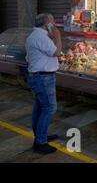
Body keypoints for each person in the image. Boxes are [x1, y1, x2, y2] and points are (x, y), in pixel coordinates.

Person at [25, 13, 62, 154]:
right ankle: (40, 142)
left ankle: (40, 135)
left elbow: (29, 57)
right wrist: (57, 37)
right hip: (43, 78)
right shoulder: (41, 37)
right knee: (50, 108)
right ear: (47, 24)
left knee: (40, 107)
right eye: (53, 21)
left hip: (37, 76)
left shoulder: (34, 36)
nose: (55, 24)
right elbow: (56, 52)